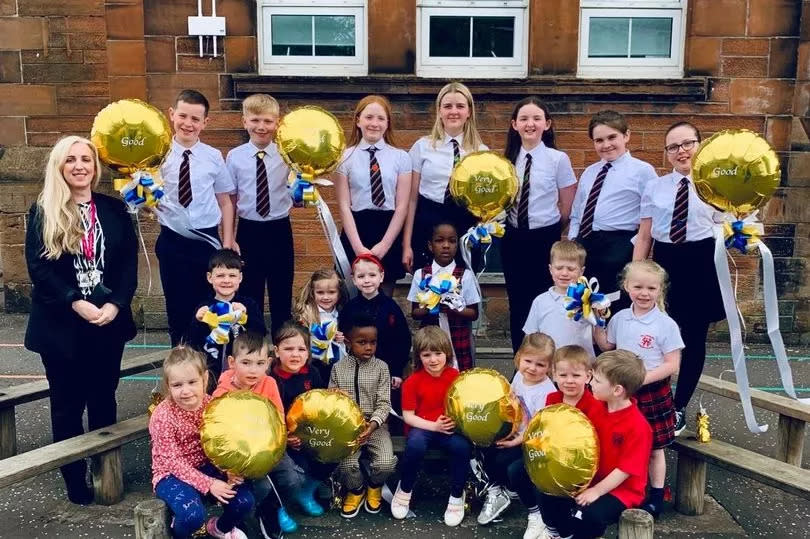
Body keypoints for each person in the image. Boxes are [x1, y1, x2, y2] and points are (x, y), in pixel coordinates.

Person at [25, 135, 138, 505]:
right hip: (62, 326)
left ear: (95, 165)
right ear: (59, 167)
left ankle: (104, 470)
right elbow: (40, 269)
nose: (79, 166)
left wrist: (117, 304)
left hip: (107, 323)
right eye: (70, 159)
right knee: (68, 404)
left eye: (86, 159)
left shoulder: (114, 209)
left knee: (104, 399)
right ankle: (73, 474)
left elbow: (127, 265)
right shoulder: (43, 209)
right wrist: (76, 302)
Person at [633, 121, 725, 435]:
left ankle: (679, 404)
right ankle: (652, 399)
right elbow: (645, 235)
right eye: (673, 146)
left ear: (700, 144)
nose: (681, 151)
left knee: (693, 337)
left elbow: (735, 228)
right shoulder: (655, 187)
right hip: (666, 262)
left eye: (687, 143)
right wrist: (634, 274)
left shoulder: (715, 184)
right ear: (667, 153)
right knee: (657, 333)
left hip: (701, 262)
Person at [593, 260, 683, 518]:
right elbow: (607, 346)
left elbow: (672, 365)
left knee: (655, 447)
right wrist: (597, 322)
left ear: (660, 290)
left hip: (652, 391)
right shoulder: (620, 318)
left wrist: (642, 378)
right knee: (622, 443)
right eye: (638, 287)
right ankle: (626, 489)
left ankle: (656, 496)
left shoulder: (666, 324)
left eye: (651, 288)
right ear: (626, 286)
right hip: (621, 392)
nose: (644, 293)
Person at [536, 350, 652, 539]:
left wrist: (596, 491)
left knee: (589, 515)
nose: (591, 383)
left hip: (621, 491)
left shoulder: (638, 426)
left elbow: (624, 471)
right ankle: (561, 535)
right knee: (547, 491)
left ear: (617, 390)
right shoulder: (597, 408)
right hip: (589, 479)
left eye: (597, 381)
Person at [157, 89, 236, 345]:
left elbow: (225, 200)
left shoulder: (213, 156)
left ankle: (207, 365)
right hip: (173, 240)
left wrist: (227, 241)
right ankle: (178, 364)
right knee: (177, 305)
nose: (188, 124)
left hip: (207, 241)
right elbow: (147, 198)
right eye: (183, 116)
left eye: (195, 119)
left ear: (205, 122)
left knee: (209, 305)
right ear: (171, 115)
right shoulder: (157, 154)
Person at [149, 346, 254, 539]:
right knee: (192, 516)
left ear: (205, 379)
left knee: (244, 501)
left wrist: (228, 469)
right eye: (177, 385)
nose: (186, 391)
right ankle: (180, 533)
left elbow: (222, 442)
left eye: (192, 382)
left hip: (208, 466)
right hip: (171, 475)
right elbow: (172, 461)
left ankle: (220, 529)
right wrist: (209, 484)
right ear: (168, 385)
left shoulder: (211, 405)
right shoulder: (162, 415)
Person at [503, 97, 577, 352]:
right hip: (513, 237)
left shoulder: (558, 159)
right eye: (523, 119)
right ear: (514, 124)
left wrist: (554, 231)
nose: (530, 124)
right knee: (518, 303)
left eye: (536, 118)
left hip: (545, 238)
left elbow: (567, 204)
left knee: (545, 299)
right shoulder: (506, 161)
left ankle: (546, 358)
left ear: (547, 124)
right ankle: (522, 360)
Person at [568, 110, 657, 311]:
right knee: (586, 307)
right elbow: (577, 212)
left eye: (612, 137)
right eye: (599, 140)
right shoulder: (590, 172)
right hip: (586, 247)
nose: (606, 144)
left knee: (614, 306)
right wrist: (575, 243)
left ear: (626, 136)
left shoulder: (643, 171)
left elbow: (650, 217)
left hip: (619, 248)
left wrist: (634, 253)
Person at [390, 326, 472, 527]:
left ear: (447, 354)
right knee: (416, 444)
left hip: (447, 428)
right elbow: (408, 417)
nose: (433, 360)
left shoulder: (456, 377)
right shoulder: (412, 381)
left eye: (438, 354)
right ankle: (405, 488)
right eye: (427, 355)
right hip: (423, 427)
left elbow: (465, 407)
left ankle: (456, 495)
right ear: (419, 356)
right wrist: (433, 426)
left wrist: (455, 422)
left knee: (462, 447)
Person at [226, 93, 294, 336]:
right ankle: (252, 345)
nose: (261, 127)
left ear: (277, 123)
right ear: (244, 122)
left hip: (279, 228)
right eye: (255, 120)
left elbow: (298, 196)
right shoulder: (235, 156)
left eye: (267, 121)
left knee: (281, 291)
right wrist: (230, 237)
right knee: (249, 293)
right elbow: (231, 200)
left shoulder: (288, 155)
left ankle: (281, 347)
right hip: (248, 230)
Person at [403, 82, 488, 272]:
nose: (454, 111)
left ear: (469, 112)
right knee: (426, 288)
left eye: (460, 106)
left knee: (462, 287)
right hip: (427, 221)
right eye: (447, 106)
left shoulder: (481, 153)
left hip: (464, 224)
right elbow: (411, 200)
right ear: (439, 111)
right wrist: (406, 244)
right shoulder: (422, 147)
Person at [334, 95, 412, 296]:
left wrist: (385, 245)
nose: (374, 123)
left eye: (380, 118)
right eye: (369, 117)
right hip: (356, 229)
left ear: (388, 123)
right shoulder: (344, 157)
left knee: (383, 300)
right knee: (352, 298)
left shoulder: (401, 158)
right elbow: (343, 205)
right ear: (358, 120)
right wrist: (358, 247)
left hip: (388, 229)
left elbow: (402, 206)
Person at [477, 333, 557, 527]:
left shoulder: (547, 391)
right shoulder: (520, 378)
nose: (532, 368)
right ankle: (497, 489)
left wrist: (517, 439)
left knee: (507, 462)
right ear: (518, 357)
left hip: (532, 441)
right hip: (515, 430)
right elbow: (512, 404)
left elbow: (538, 424)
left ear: (549, 367)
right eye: (528, 361)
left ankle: (509, 490)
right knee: (485, 443)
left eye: (540, 365)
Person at [211, 331, 284, 538]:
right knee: (239, 483)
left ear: (268, 363)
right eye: (246, 363)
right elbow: (217, 433)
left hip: (263, 446)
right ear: (232, 362)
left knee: (270, 479)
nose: (254, 370)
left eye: (260, 363)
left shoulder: (269, 383)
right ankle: (239, 517)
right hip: (233, 452)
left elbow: (278, 419)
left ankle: (266, 510)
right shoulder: (222, 392)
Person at [329, 311, 397, 519]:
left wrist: (373, 425)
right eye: (362, 342)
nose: (369, 347)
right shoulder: (338, 368)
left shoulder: (381, 368)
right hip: (348, 428)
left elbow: (384, 403)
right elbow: (331, 400)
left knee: (386, 462)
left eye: (373, 342)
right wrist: (335, 397)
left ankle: (375, 486)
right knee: (347, 465)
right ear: (348, 342)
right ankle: (356, 490)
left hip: (375, 426)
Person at [268, 322, 333, 535]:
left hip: (307, 436)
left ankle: (307, 492)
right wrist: (285, 437)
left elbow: (319, 406)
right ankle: (279, 506)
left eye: (301, 349)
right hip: (280, 440)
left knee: (332, 454)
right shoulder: (271, 379)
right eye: (288, 348)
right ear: (276, 351)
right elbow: (268, 417)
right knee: (290, 476)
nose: (295, 354)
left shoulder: (312, 373)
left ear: (308, 352)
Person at [186, 248, 266, 391]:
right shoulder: (204, 307)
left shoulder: (248, 304)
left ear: (240, 278)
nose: (226, 280)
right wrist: (198, 322)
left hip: (242, 369)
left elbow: (260, 334)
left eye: (232, 275)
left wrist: (246, 317)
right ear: (210, 278)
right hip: (212, 369)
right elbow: (193, 342)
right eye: (220, 275)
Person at [408, 220, 480, 371]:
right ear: (430, 246)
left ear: (457, 245)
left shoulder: (465, 275)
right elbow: (415, 312)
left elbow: (473, 313)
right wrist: (432, 304)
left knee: (460, 376)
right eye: (439, 241)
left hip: (458, 336)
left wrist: (452, 306)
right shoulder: (421, 274)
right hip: (430, 338)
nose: (446, 245)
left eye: (452, 241)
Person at [523, 240, 594, 357]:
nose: (564, 273)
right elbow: (530, 336)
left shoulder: (588, 300)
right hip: (548, 364)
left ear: (581, 271)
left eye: (571, 269)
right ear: (551, 269)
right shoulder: (540, 301)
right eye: (559, 268)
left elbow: (598, 338)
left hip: (578, 367)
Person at [293, 268, 349, 382]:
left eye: (331, 292)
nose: (326, 297)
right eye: (320, 292)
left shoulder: (341, 313)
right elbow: (301, 339)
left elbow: (347, 341)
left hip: (338, 363)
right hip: (314, 364)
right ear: (313, 292)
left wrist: (340, 339)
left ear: (339, 293)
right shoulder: (307, 313)